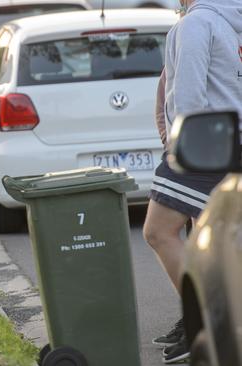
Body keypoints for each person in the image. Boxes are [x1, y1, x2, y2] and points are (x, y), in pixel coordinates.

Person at [143, 0, 242, 363]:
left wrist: (177, 151)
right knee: (207, 241)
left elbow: (187, 96)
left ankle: (209, 327)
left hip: (204, 144)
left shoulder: (197, 23)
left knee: (158, 231)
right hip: (226, 141)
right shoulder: (229, 20)